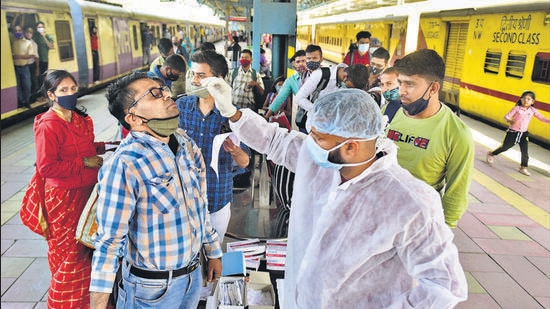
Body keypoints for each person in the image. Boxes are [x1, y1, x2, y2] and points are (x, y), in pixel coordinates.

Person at [202, 80, 468, 308]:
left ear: (351, 146)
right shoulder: (322, 162)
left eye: (318, 138)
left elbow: (443, 286)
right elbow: (275, 141)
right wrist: (233, 113)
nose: (310, 143)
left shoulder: (408, 202)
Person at [90, 72, 223, 309]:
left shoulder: (185, 143)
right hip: (151, 291)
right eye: (155, 94)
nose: (167, 95)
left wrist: (213, 251)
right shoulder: (125, 164)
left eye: (164, 90)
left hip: (192, 278)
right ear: (133, 117)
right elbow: (109, 243)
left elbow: (199, 204)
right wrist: (98, 304)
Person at [33, 70, 111, 308]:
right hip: (64, 198)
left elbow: (85, 146)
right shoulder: (48, 125)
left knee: (87, 248)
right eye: (63, 90)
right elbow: (46, 168)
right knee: (69, 255)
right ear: (51, 95)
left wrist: (106, 146)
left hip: (88, 193)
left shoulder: (80, 119)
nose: (70, 94)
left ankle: (90, 301)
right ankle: (65, 303)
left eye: (73, 89)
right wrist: (84, 162)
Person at [384, 49, 474, 228]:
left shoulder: (456, 134)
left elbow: (457, 192)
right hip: (379, 208)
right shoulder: (389, 112)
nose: (401, 91)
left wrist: (443, 231)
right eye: (400, 82)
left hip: (417, 222)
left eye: (409, 84)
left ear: (433, 88)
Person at [176, 49, 250, 245]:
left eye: (201, 75)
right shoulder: (181, 106)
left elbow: (245, 161)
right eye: (193, 74)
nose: (194, 81)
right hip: (183, 202)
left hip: (217, 201)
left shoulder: (233, 115)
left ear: (219, 79)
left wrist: (235, 150)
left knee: (212, 257)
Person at [486, 90, 550, 176]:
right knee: (505, 147)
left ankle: (523, 167)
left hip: (524, 134)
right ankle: (491, 153)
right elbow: (506, 116)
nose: (526, 100)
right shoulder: (517, 108)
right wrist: (510, 121)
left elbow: (541, 118)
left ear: (532, 102)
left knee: (525, 152)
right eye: (524, 98)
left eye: (529, 99)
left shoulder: (532, 110)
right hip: (513, 133)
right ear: (520, 99)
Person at [294, 44, 347, 115]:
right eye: (308, 58)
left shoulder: (327, 75)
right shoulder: (304, 75)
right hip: (308, 113)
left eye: (315, 58)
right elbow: (299, 97)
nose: (311, 61)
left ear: (321, 59)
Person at [263, 49, 307, 121]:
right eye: (298, 62)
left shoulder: (316, 74)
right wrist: (267, 116)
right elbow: (279, 98)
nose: (301, 64)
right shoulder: (291, 81)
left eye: (304, 61)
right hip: (303, 115)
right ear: (294, 64)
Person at [12, 24, 34, 108]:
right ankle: (21, 102)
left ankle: (27, 101)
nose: (18, 32)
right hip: (16, 68)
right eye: (16, 31)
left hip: (25, 67)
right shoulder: (13, 42)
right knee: (18, 86)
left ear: (22, 31)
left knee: (27, 85)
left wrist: (18, 56)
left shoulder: (28, 43)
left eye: (19, 30)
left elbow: (31, 55)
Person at [33, 21, 54, 85]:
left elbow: (51, 46)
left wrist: (44, 37)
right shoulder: (35, 37)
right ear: (36, 29)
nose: (41, 28)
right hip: (35, 60)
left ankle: (43, 92)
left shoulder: (48, 37)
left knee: (43, 77)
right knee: (36, 78)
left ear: (44, 28)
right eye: (39, 27)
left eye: (42, 27)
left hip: (44, 60)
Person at [24, 26, 40, 97]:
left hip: (31, 65)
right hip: (23, 66)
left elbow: (36, 57)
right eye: (27, 32)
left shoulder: (34, 44)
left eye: (31, 32)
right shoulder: (20, 41)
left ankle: (33, 96)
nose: (29, 34)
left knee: (33, 81)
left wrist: (37, 68)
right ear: (24, 32)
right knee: (26, 83)